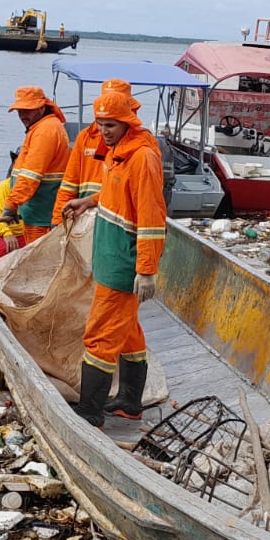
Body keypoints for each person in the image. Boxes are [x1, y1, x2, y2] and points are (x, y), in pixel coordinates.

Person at [74, 90, 166, 427]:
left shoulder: (142, 158)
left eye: (110, 124)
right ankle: (130, 401)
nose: (103, 131)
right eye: (99, 124)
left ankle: (90, 411)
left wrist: (146, 270)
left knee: (100, 334)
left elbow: (151, 217)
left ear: (127, 122)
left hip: (123, 263)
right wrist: (90, 201)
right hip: (109, 256)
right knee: (128, 332)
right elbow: (119, 192)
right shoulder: (118, 153)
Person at [54, 78, 138, 226]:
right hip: (83, 217)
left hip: (117, 223)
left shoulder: (138, 147)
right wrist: (57, 220)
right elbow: (69, 183)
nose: (105, 131)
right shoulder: (85, 137)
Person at [0, 86, 69, 244]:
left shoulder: (45, 131)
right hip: (37, 214)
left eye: (27, 110)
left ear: (41, 108)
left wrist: (11, 205)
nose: (22, 115)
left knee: (40, 263)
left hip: (42, 217)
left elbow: (31, 175)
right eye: (20, 111)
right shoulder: (42, 127)